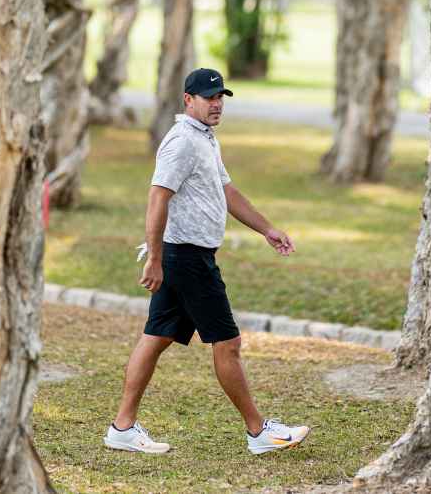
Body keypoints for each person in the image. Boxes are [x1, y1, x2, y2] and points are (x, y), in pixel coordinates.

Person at [103, 68, 309, 455]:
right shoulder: (182, 142)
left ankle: (122, 428)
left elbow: (226, 191)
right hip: (187, 257)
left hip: (189, 254)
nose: (216, 104)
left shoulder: (205, 139)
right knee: (227, 343)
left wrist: (267, 229)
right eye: (208, 97)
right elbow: (157, 198)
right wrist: (156, 260)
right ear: (188, 100)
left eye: (220, 97)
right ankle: (257, 432)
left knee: (156, 337)